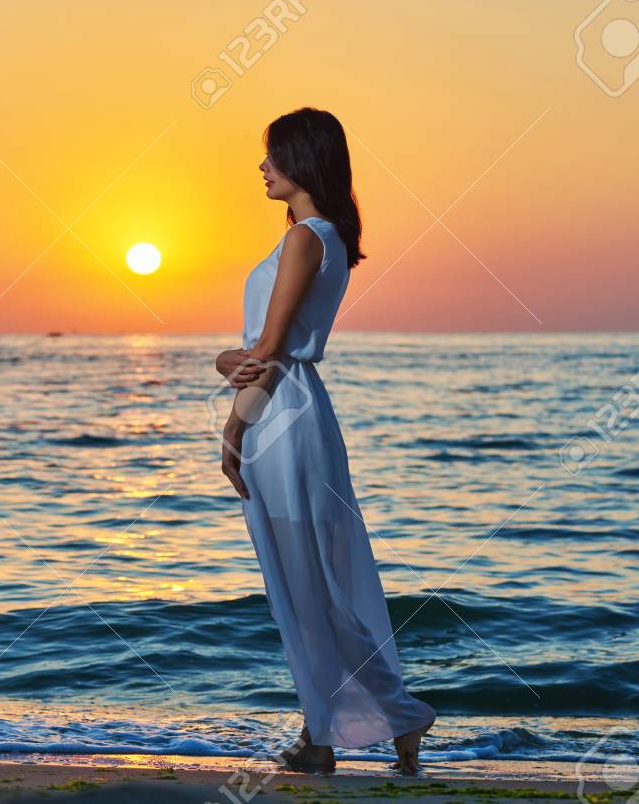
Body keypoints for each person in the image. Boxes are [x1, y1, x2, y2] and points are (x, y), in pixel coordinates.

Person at [215, 107, 436, 775]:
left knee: (310, 581)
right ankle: (320, 735)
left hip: (285, 417)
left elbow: (268, 350)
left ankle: (396, 714)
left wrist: (227, 393)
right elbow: (271, 356)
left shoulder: (307, 239)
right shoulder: (319, 236)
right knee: (298, 583)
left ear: (300, 159)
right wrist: (240, 396)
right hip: (287, 411)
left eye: (271, 154)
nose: (261, 166)